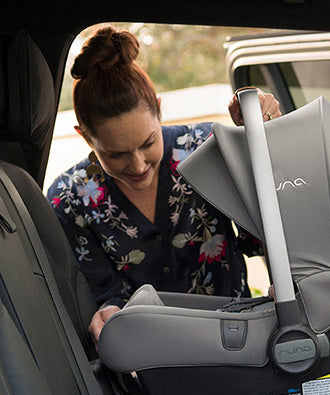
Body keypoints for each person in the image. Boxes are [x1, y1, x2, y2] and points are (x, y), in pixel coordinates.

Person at [47, 25, 281, 347]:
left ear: (159, 109)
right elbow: (106, 291)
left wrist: (258, 138)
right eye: (116, 154)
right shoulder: (69, 199)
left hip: (237, 339)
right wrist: (108, 312)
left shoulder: (207, 149)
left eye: (148, 143)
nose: (138, 165)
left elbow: (261, 237)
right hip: (150, 353)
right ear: (85, 136)